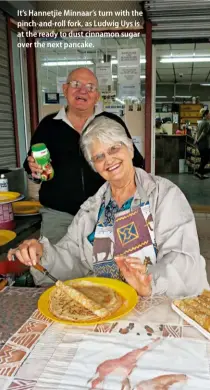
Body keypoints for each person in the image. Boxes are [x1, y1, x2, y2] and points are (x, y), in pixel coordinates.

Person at [9, 116, 209, 298]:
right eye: (99, 157)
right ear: (94, 166)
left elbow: (182, 259)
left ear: (130, 149)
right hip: (109, 305)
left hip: (158, 305)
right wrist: (42, 253)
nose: (109, 160)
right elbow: (73, 255)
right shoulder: (93, 207)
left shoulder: (165, 195)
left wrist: (149, 283)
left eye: (114, 148)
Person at [24, 67, 144, 244]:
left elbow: (136, 163)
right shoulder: (48, 126)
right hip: (59, 215)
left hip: (108, 211)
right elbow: (31, 169)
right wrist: (34, 170)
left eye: (90, 87)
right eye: (76, 84)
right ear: (65, 89)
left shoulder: (111, 122)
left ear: (96, 96)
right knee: (56, 267)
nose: (82, 91)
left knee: (109, 266)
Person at [195, 108, 210, 179]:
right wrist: (198, 140)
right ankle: (199, 172)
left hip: (200, 144)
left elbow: (196, 132)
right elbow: (203, 133)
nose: (209, 115)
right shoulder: (207, 123)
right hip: (204, 144)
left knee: (204, 158)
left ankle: (200, 172)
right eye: (209, 114)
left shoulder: (200, 122)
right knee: (205, 159)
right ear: (206, 114)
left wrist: (196, 140)